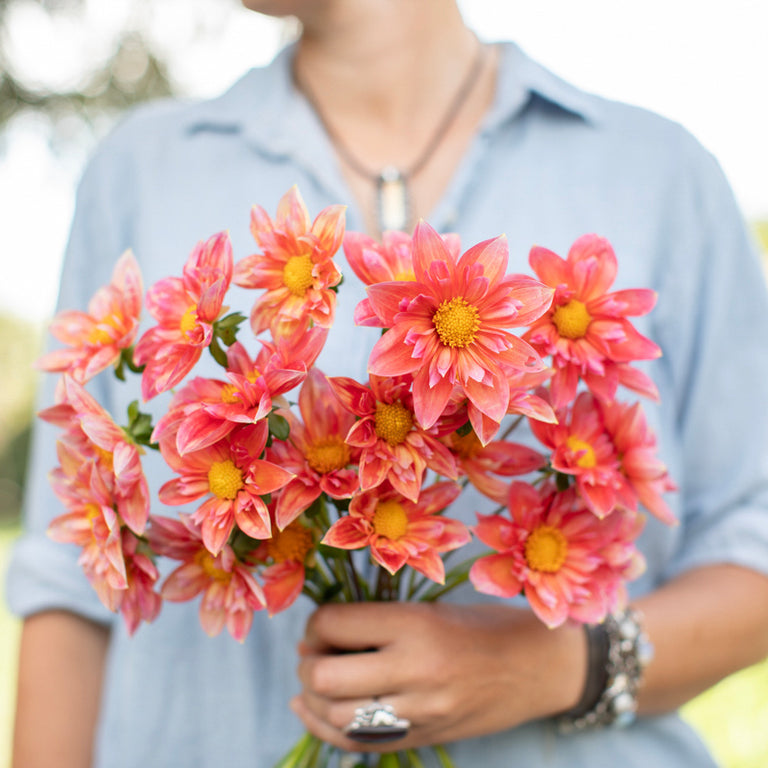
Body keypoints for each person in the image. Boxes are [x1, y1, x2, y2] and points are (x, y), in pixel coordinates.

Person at [8, 1, 768, 766]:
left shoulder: (657, 173)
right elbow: (70, 584)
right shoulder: (140, 168)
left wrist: (553, 665)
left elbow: (755, 538)